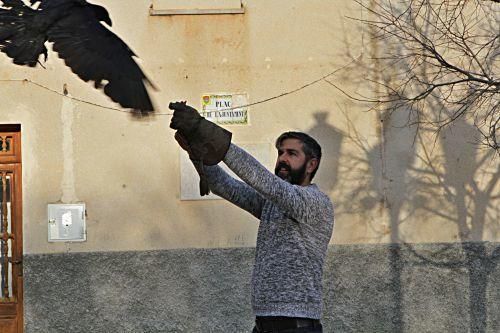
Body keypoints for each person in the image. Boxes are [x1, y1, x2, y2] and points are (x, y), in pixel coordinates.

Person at [169, 101, 334, 333]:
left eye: (292, 153)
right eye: (280, 153)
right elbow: (224, 185)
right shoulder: (273, 204)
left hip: (298, 326)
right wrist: (196, 153)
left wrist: (206, 131)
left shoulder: (315, 202)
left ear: (311, 164)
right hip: (262, 324)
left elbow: (265, 182)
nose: (282, 159)